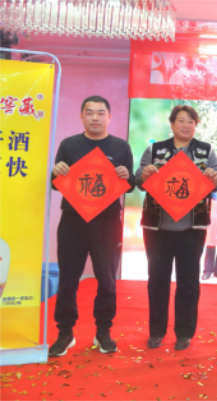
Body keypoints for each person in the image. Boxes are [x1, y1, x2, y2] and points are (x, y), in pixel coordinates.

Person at [49, 96, 135, 357]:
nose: (95, 117)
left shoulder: (120, 146)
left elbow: (130, 185)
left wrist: (126, 177)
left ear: (109, 117)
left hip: (107, 222)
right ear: (81, 116)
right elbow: (55, 183)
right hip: (73, 221)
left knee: (107, 279)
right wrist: (56, 172)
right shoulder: (69, 144)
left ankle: (103, 332)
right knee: (68, 278)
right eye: (89, 112)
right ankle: (65, 333)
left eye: (100, 113)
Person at [136, 105, 217, 351]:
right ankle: (156, 331)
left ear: (196, 126)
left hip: (192, 228)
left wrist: (214, 177)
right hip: (158, 228)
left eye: (191, 122)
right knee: (157, 279)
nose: (186, 125)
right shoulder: (155, 149)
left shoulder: (206, 151)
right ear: (172, 124)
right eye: (182, 121)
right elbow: (139, 180)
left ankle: (184, 332)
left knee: (189, 281)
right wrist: (145, 173)